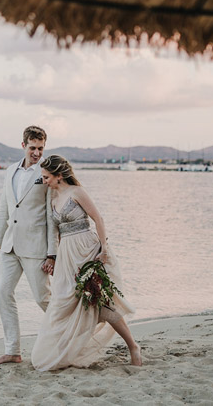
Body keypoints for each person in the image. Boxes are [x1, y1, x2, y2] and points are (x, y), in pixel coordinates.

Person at [31, 154, 142, 371]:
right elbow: (55, 232)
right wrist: (54, 258)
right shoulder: (52, 198)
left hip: (87, 249)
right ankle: (66, 352)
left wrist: (104, 250)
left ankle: (133, 346)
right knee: (65, 304)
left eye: (46, 177)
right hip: (67, 256)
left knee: (101, 302)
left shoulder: (77, 192)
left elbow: (98, 219)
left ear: (59, 176)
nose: (44, 181)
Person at [0, 125, 57, 365]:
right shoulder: (10, 171)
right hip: (9, 246)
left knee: (43, 298)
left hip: (36, 248)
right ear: (23, 145)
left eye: (41, 148)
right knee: (3, 293)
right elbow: (4, 210)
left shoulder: (47, 172)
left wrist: (52, 254)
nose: (37, 153)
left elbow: (50, 216)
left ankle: (72, 332)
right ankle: (13, 351)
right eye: (33, 148)